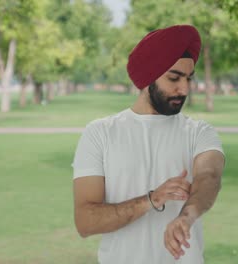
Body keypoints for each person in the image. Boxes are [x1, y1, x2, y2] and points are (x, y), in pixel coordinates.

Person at [72, 25, 225, 264]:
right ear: (148, 77)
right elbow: (85, 221)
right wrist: (151, 200)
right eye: (174, 78)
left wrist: (186, 217)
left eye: (188, 79)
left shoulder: (199, 132)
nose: (183, 89)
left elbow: (210, 178)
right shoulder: (100, 133)